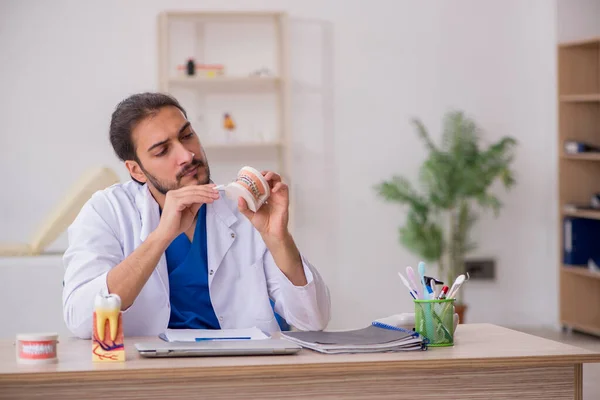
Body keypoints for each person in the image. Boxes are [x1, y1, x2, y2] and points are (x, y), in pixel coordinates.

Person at [62, 92, 331, 339]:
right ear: (137, 171)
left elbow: (314, 320)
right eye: (162, 150)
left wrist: (278, 238)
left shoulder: (243, 206)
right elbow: (82, 321)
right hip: (151, 375)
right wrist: (160, 239)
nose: (187, 155)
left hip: (242, 369)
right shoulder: (107, 211)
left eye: (187, 135)